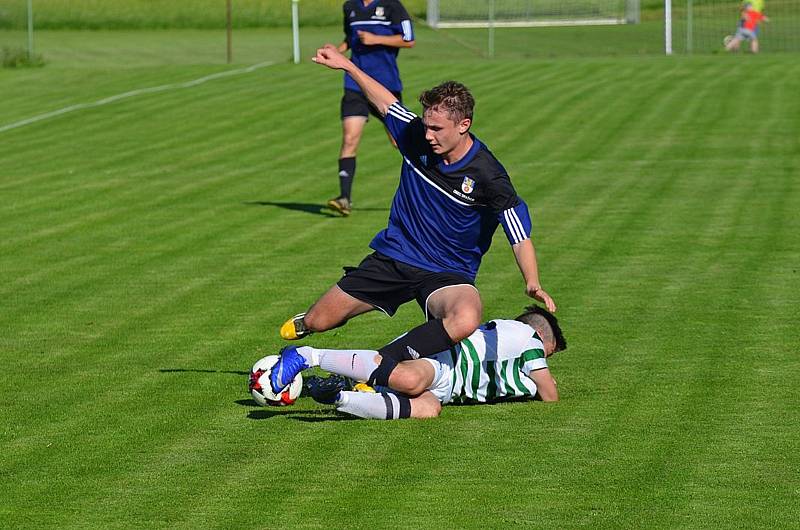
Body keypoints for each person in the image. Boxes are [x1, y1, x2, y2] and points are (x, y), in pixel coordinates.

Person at [274, 43, 556, 395]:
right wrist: (347, 65)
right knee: (320, 320)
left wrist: (533, 281)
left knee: (467, 317)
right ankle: (309, 329)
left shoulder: (489, 176)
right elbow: (384, 102)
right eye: (426, 125)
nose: (427, 135)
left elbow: (518, 234)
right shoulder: (415, 135)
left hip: (446, 273)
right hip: (395, 257)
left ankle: (379, 365)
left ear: (464, 125)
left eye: (437, 129)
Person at [273, 304, 566, 420]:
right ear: (542, 335)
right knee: (412, 381)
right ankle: (307, 355)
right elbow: (549, 395)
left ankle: (339, 397)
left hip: (449, 388)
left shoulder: (510, 339)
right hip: (446, 358)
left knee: (428, 409)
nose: (545, 357)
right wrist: (545, 382)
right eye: (548, 352)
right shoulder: (530, 338)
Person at [328, 0, 416, 216]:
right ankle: (344, 199)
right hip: (355, 85)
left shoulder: (393, 6)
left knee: (400, 141)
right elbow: (350, 38)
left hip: (385, 87)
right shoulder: (350, 6)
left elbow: (409, 39)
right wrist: (335, 50)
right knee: (350, 138)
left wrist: (376, 39)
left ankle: (429, 189)